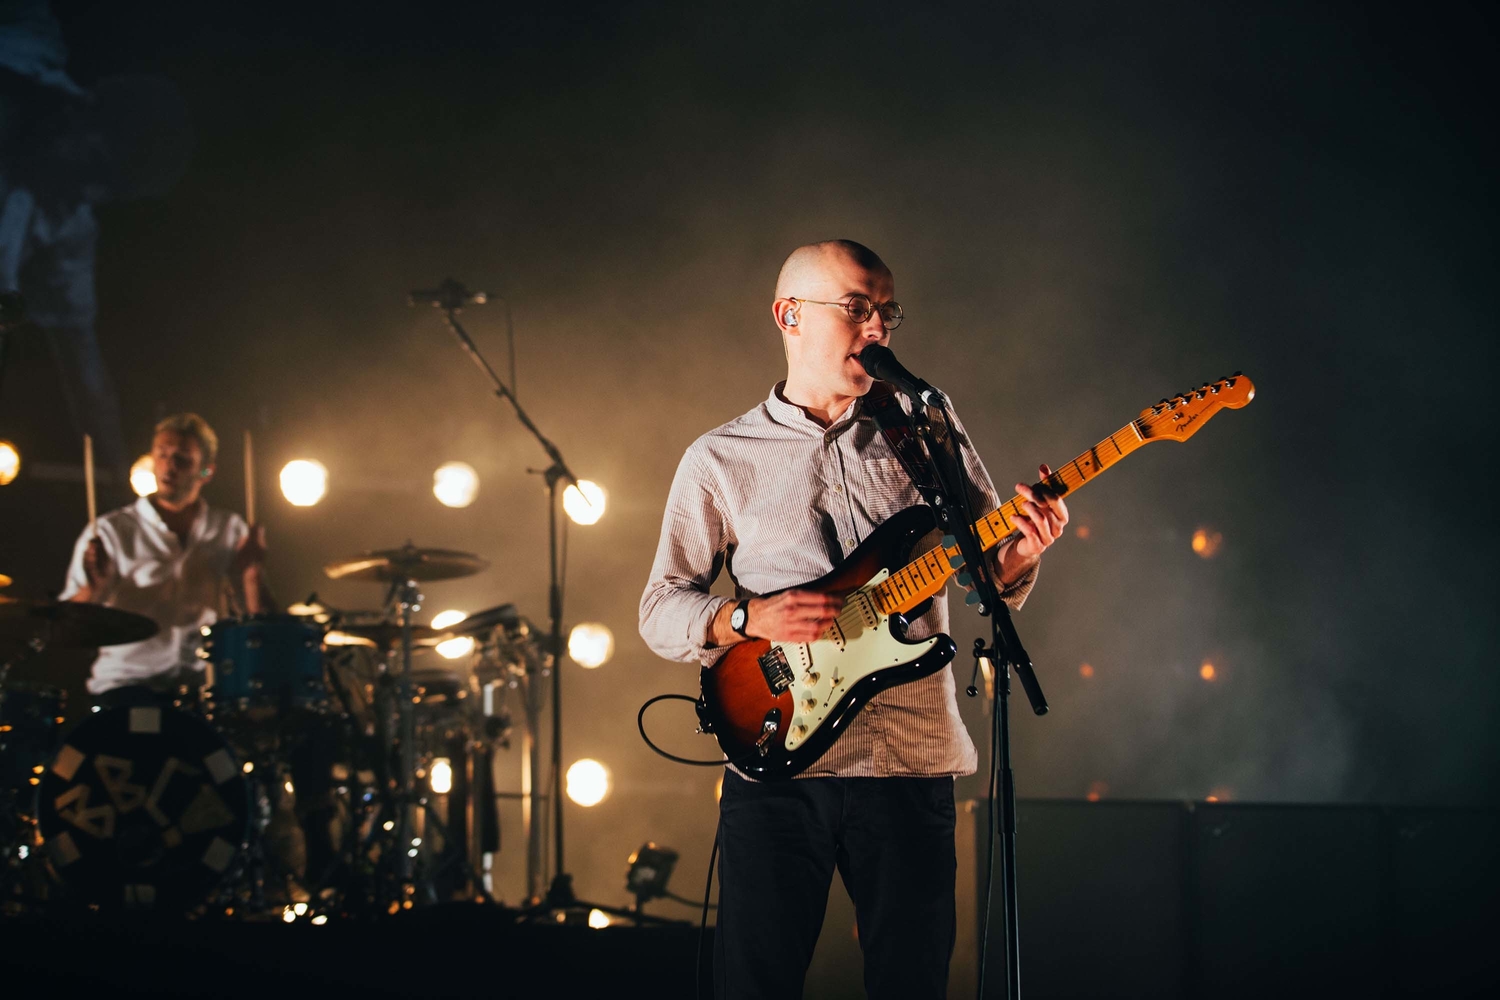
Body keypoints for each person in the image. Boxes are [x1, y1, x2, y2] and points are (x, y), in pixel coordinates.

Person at [639, 240, 1069, 999]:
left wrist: (1020, 558)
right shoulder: (720, 457)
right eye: (857, 308)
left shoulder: (925, 425)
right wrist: (745, 616)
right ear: (789, 316)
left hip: (910, 762)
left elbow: (983, 573)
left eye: (886, 312)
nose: (877, 329)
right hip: (776, 764)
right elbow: (660, 609)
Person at [61, 411, 268, 697]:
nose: (168, 466)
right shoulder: (111, 530)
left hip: (201, 688)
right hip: (124, 685)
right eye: (161, 455)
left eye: (182, 459)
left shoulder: (229, 528)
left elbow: (257, 627)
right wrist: (94, 589)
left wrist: (252, 578)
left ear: (206, 471)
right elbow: (65, 627)